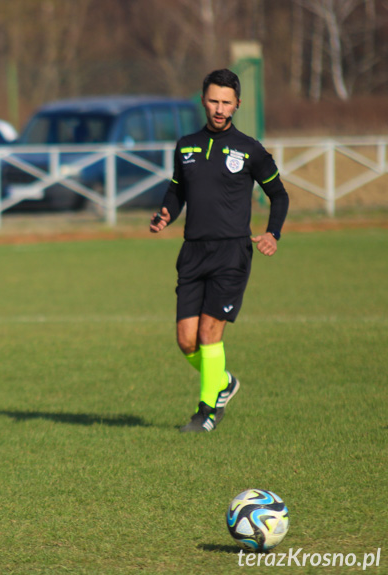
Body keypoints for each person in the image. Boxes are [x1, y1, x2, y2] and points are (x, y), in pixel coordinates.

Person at [149, 68, 289, 433]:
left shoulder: (250, 149)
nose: (219, 108)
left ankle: (206, 413)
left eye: (227, 102)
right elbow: (176, 190)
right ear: (203, 101)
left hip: (231, 254)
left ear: (237, 105)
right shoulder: (186, 145)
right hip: (193, 252)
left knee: (210, 335)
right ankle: (223, 381)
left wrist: (273, 232)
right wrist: (167, 212)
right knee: (186, 341)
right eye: (213, 100)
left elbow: (279, 194)